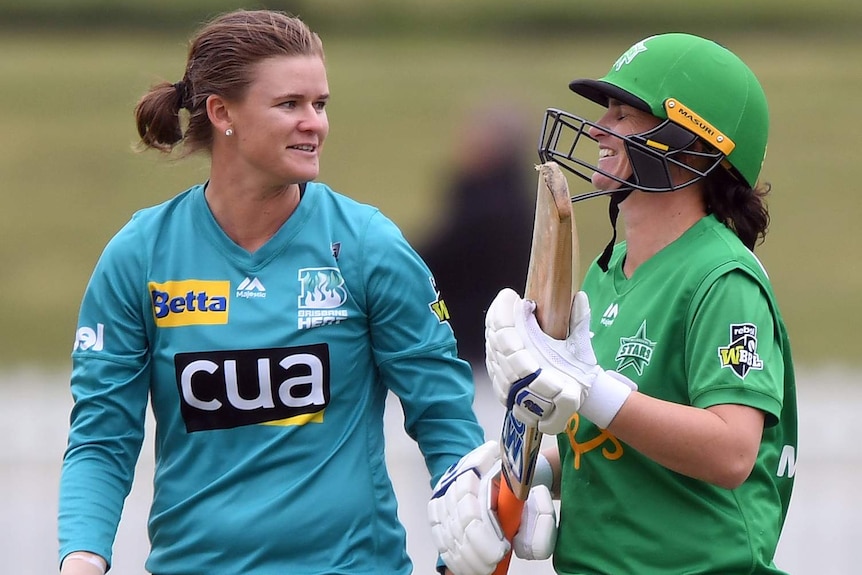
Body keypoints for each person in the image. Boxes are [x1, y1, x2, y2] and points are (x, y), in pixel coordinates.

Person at [57, 10, 485, 575]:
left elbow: (445, 415)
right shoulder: (141, 254)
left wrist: (466, 544)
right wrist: (82, 558)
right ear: (221, 112)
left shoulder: (367, 246)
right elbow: (102, 435)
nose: (315, 124)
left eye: (321, 104)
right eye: (290, 104)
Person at [427, 33, 797, 575]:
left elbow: (731, 451)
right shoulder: (610, 268)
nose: (600, 129)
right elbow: (607, 436)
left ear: (690, 143)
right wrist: (533, 477)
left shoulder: (722, 279)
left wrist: (588, 387)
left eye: (624, 115)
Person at [418, 103, 534, 366]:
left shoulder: (490, 209)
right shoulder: (512, 198)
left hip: (473, 348)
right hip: (494, 346)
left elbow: (430, 260)